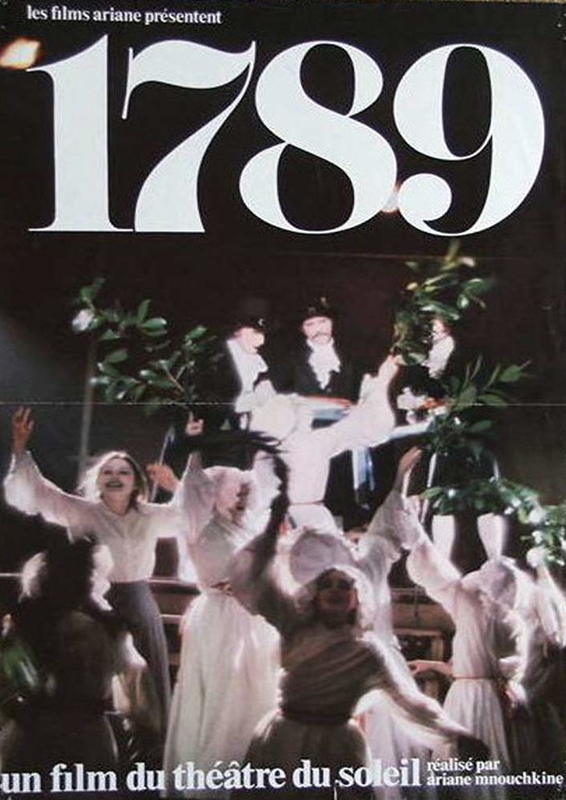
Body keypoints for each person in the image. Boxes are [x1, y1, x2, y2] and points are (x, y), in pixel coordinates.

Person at [228, 490, 476, 800]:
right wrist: (271, 527)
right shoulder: (294, 625)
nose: (335, 591)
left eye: (345, 586)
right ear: (314, 594)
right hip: (283, 739)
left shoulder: (368, 652)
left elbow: (409, 703)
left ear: (357, 598)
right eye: (327, 585)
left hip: (337, 745)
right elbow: (255, 582)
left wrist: (455, 736)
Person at [3, 407, 189, 737]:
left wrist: (175, 485)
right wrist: (20, 449)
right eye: (108, 472)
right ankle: (97, 738)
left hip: (138, 601)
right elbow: (39, 493)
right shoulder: (82, 511)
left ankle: (147, 742)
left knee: (144, 674)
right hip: (91, 605)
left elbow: (189, 516)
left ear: (136, 482)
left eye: (124, 472)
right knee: (94, 676)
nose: (115, 477)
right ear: (98, 480)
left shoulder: (150, 515)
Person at [160, 448, 282, 798]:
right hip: (222, 620)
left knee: (255, 697)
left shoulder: (248, 531)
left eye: (246, 492)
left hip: (255, 621)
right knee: (222, 699)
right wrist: (196, 443)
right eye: (235, 491)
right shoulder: (202, 525)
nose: (243, 498)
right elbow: (192, 488)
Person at [0, 538, 158, 786]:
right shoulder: (106, 630)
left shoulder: (23, 626)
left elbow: (7, 685)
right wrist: (142, 728)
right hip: (82, 735)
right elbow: (136, 686)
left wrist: (21, 711)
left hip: (38, 732)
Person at [249, 355, 398, 533]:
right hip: (297, 521)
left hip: (297, 520)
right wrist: (382, 382)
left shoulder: (305, 443)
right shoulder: (311, 443)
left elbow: (369, 426)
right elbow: (372, 426)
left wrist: (381, 383)